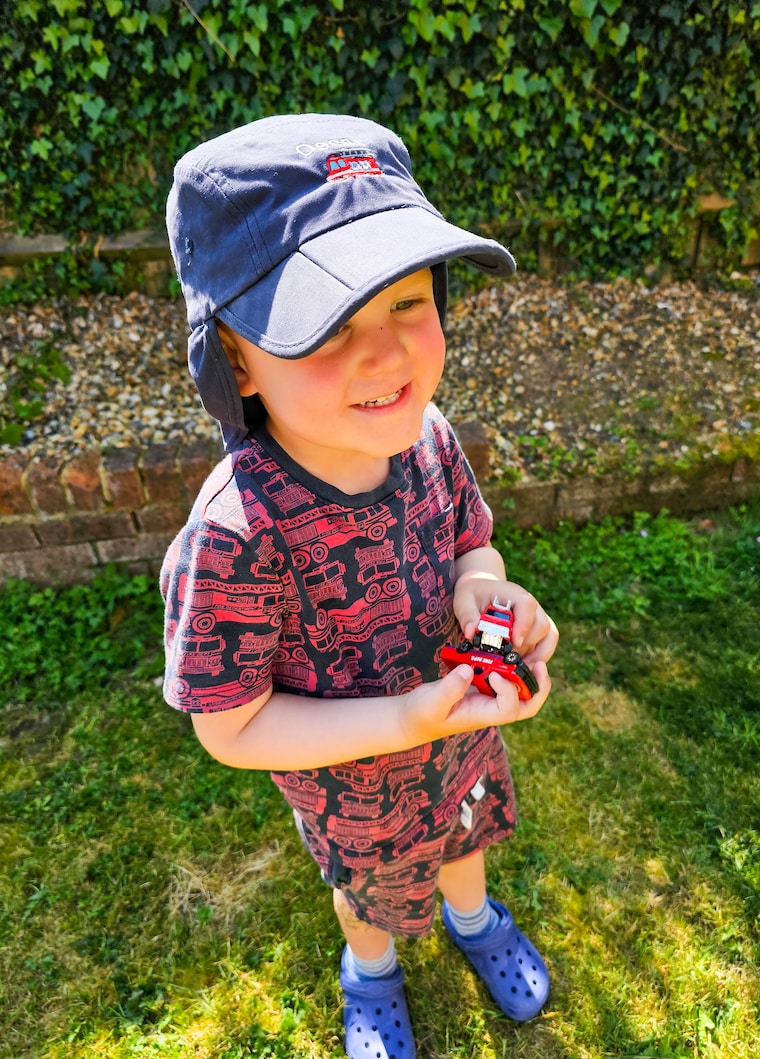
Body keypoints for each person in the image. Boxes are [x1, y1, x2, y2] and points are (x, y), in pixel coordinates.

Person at [160, 113, 558, 1059]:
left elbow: (474, 545)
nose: (385, 355)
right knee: (370, 896)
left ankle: (475, 921)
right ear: (236, 354)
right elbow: (231, 724)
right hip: (353, 797)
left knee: (466, 842)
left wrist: (486, 597)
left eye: (408, 301)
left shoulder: (430, 437)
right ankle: (370, 973)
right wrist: (403, 720)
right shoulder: (237, 534)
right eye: (329, 323)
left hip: (459, 749)